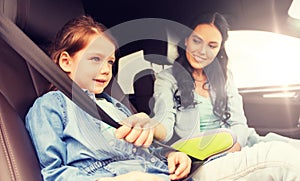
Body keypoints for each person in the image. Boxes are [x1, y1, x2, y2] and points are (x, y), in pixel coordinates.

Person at [25, 15, 192, 181]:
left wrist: (170, 156)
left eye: (110, 62)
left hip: (160, 173)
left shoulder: (117, 107)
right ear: (66, 62)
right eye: (95, 59)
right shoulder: (51, 105)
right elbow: (53, 172)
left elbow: (143, 151)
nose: (106, 70)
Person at [152, 12, 300, 180]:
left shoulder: (225, 76)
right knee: (287, 161)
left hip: (237, 145)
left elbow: (239, 123)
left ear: (219, 48)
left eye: (212, 45)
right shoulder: (167, 79)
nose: (202, 51)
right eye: (196, 41)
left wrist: (233, 146)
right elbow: (164, 123)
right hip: (200, 156)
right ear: (186, 40)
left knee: (294, 149)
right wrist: (149, 127)